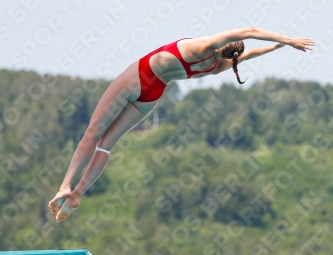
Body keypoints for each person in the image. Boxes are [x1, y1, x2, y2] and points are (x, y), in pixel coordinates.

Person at [48, 26, 315, 222]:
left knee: (94, 132)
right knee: (106, 145)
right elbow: (253, 52)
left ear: (225, 43)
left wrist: (287, 39)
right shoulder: (217, 66)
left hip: (139, 76)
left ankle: (66, 185)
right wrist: (281, 45)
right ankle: (78, 193)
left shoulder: (202, 46)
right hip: (152, 95)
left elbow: (250, 30)